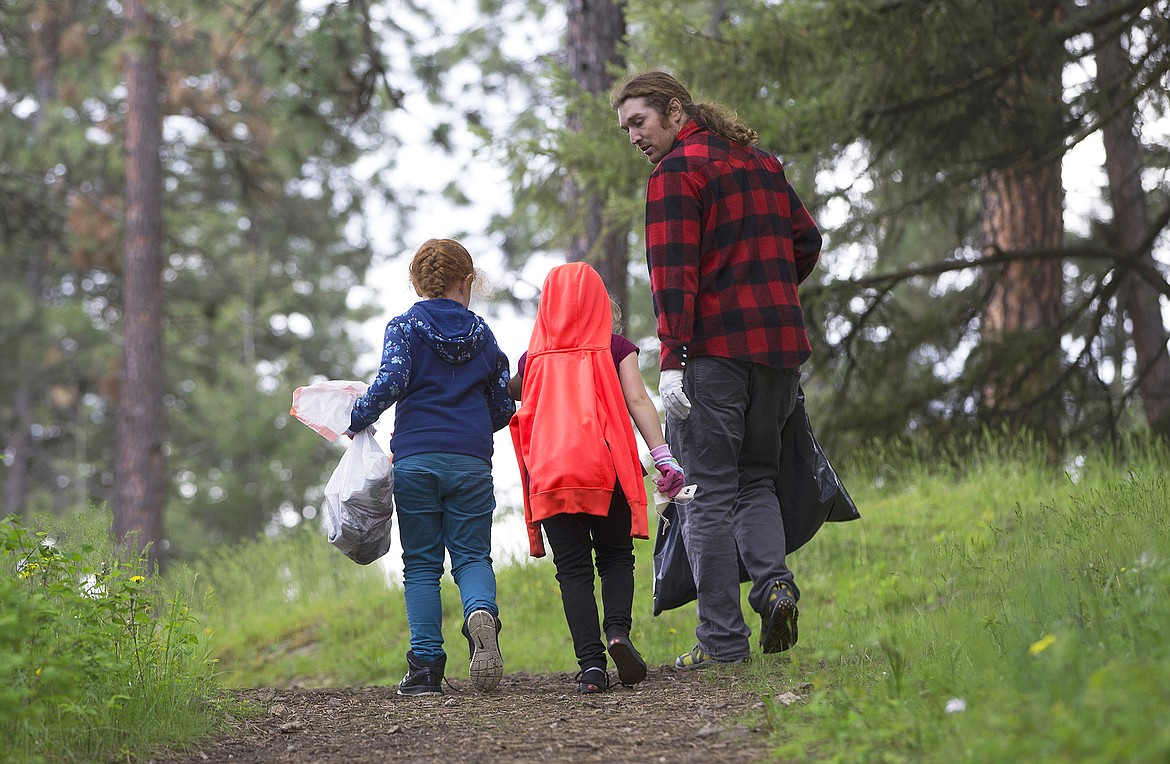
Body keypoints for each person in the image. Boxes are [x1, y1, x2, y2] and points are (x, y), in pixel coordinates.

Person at [611, 71, 823, 668]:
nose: (633, 137)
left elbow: (672, 275)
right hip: (777, 354)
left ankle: (723, 644)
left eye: (639, 122)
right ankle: (775, 586)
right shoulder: (762, 163)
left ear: (674, 111)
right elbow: (806, 241)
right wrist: (768, 290)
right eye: (625, 127)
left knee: (703, 495)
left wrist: (672, 360)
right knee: (755, 481)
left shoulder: (676, 174)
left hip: (713, 358)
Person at [345, 238, 515, 696]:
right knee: (472, 556)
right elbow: (502, 406)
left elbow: (391, 380)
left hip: (417, 459)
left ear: (417, 283)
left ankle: (425, 668)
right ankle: (480, 612)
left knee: (421, 564)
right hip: (471, 460)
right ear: (468, 281)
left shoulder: (404, 327)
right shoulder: (484, 335)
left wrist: (357, 416)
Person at [509, 262, 685, 693]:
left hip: (551, 475)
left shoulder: (532, 359)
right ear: (600, 305)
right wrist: (664, 457)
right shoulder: (616, 347)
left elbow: (514, 395)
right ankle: (619, 635)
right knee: (614, 558)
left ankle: (590, 668)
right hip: (605, 471)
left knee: (571, 571)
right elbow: (639, 402)